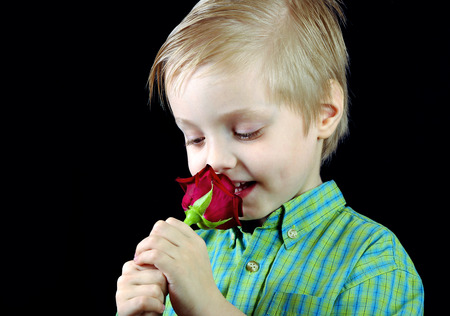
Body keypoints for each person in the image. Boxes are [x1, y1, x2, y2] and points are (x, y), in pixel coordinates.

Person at [115, 0, 424, 315]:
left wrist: (208, 307)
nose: (215, 160)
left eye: (246, 132)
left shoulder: (372, 262)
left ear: (323, 112)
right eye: (196, 138)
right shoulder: (194, 253)